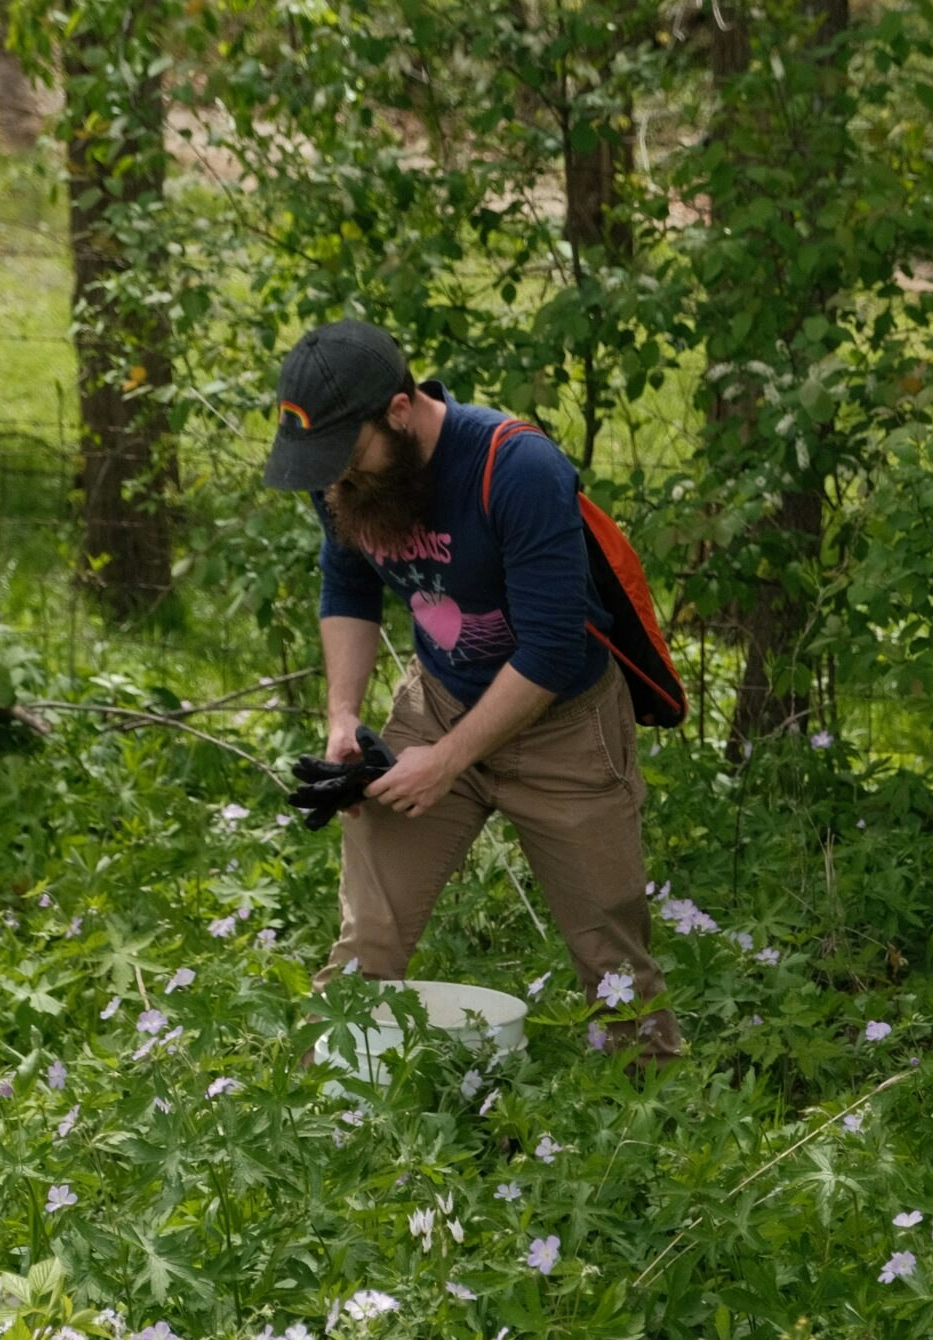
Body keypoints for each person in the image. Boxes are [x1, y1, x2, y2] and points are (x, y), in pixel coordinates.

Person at [263, 319, 681, 1058]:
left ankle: (651, 1099)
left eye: (346, 457)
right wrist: (343, 716)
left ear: (399, 410)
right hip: (439, 704)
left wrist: (449, 761)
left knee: (611, 958)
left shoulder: (516, 467)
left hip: (565, 729)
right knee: (367, 940)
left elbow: (554, 648)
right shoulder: (345, 477)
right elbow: (348, 585)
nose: (334, 481)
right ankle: (324, 1100)